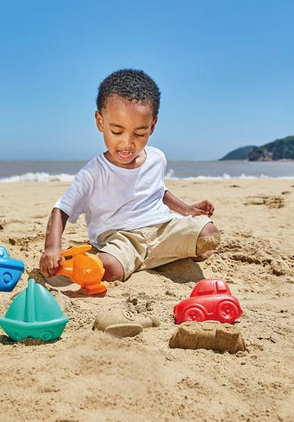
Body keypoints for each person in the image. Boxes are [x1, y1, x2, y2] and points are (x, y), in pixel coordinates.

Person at [39, 69, 220, 282]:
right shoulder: (94, 172)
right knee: (109, 269)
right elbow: (62, 208)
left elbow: (159, 191)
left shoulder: (157, 158)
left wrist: (186, 209)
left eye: (139, 133)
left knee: (210, 235)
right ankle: (157, 257)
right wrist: (52, 248)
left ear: (152, 126)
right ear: (100, 122)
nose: (127, 143)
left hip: (162, 228)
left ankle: (156, 256)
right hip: (121, 238)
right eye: (116, 132)